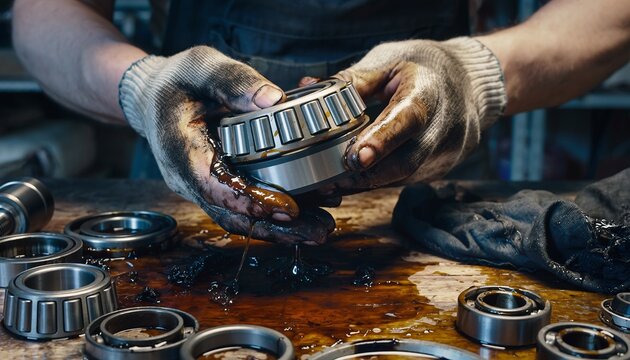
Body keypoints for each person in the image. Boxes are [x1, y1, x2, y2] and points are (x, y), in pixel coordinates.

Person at [11, 0, 630, 245]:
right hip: (193, 165)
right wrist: (141, 87)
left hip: (433, 177)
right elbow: (43, 16)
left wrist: (474, 74)